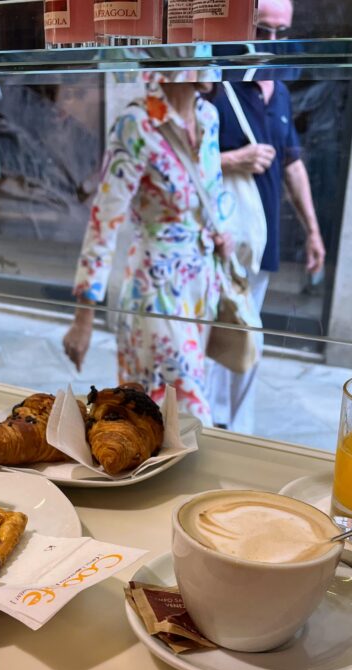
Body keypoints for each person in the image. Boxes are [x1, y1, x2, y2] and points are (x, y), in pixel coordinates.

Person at [62, 72, 231, 426]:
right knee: (188, 412)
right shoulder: (136, 124)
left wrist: (218, 232)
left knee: (161, 415)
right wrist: (84, 316)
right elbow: (104, 219)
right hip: (157, 285)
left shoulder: (208, 116)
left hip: (201, 283)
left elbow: (211, 191)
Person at [207, 0, 326, 433]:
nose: (272, 42)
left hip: (259, 236)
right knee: (212, 335)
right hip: (218, 235)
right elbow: (179, 161)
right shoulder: (215, 83)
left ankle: (236, 431)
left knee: (246, 337)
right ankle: (209, 424)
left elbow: (292, 162)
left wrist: (313, 230)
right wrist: (233, 159)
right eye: (263, 30)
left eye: (282, 32)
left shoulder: (280, 88)